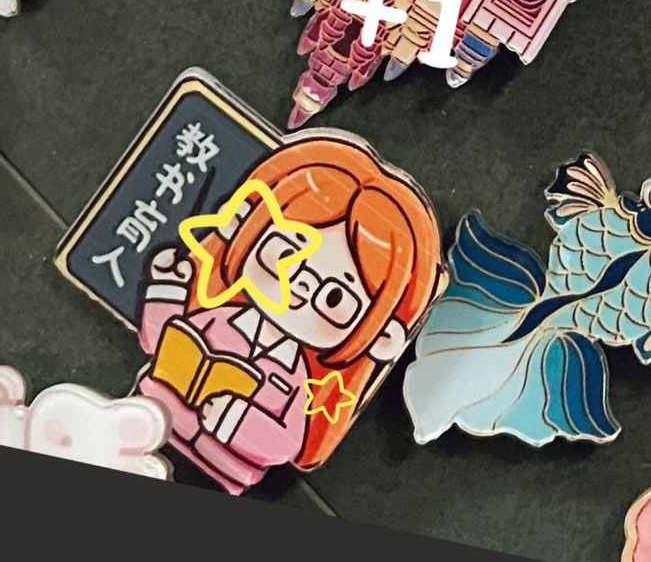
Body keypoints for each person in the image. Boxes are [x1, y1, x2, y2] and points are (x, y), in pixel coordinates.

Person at [134, 135, 439, 492]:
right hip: (142, 421)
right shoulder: (215, 317)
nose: (299, 286)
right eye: (284, 255)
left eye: (335, 297)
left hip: (221, 474)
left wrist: (237, 419)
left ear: (383, 336)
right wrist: (169, 288)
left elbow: (287, 439)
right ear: (239, 223)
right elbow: (159, 337)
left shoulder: (296, 380)